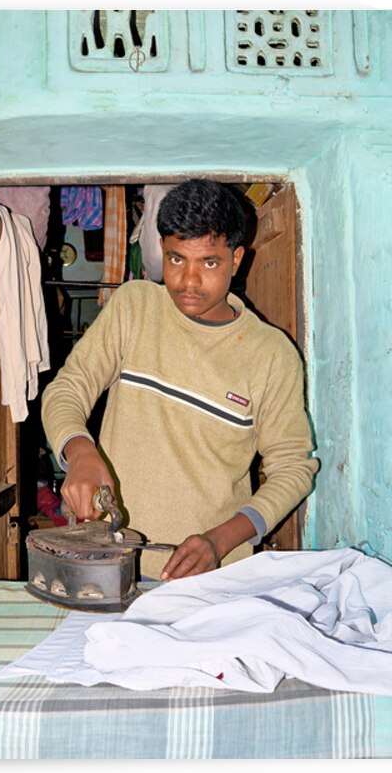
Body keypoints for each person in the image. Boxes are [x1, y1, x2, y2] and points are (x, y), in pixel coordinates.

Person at [41, 179, 318, 581]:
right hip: (108, 562)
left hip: (213, 577)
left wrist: (220, 541)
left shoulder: (271, 354)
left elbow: (293, 467)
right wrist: (80, 452)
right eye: (176, 259)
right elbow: (67, 389)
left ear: (236, 260)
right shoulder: (134, 307)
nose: (189, 281)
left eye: (209, 263)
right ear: (162, 250)